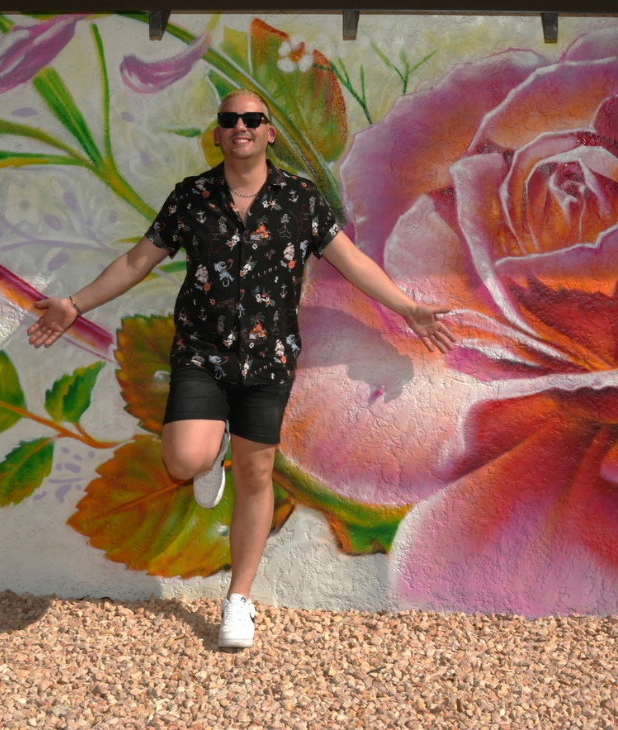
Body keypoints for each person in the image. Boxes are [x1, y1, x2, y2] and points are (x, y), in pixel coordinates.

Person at [27, 89, 455, 649]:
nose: (241, 127)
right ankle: (212, 450)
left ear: (269, 131)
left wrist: (407, 307)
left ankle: (238, 600)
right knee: (184, 457)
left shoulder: (300, 201)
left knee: (257, 474)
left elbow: (350, 261)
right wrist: (76, 304)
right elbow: (137, 260)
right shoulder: (192, 197)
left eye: (252, 119)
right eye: (230, 120)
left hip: (269, 357)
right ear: (218, 133)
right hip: (202, 353)